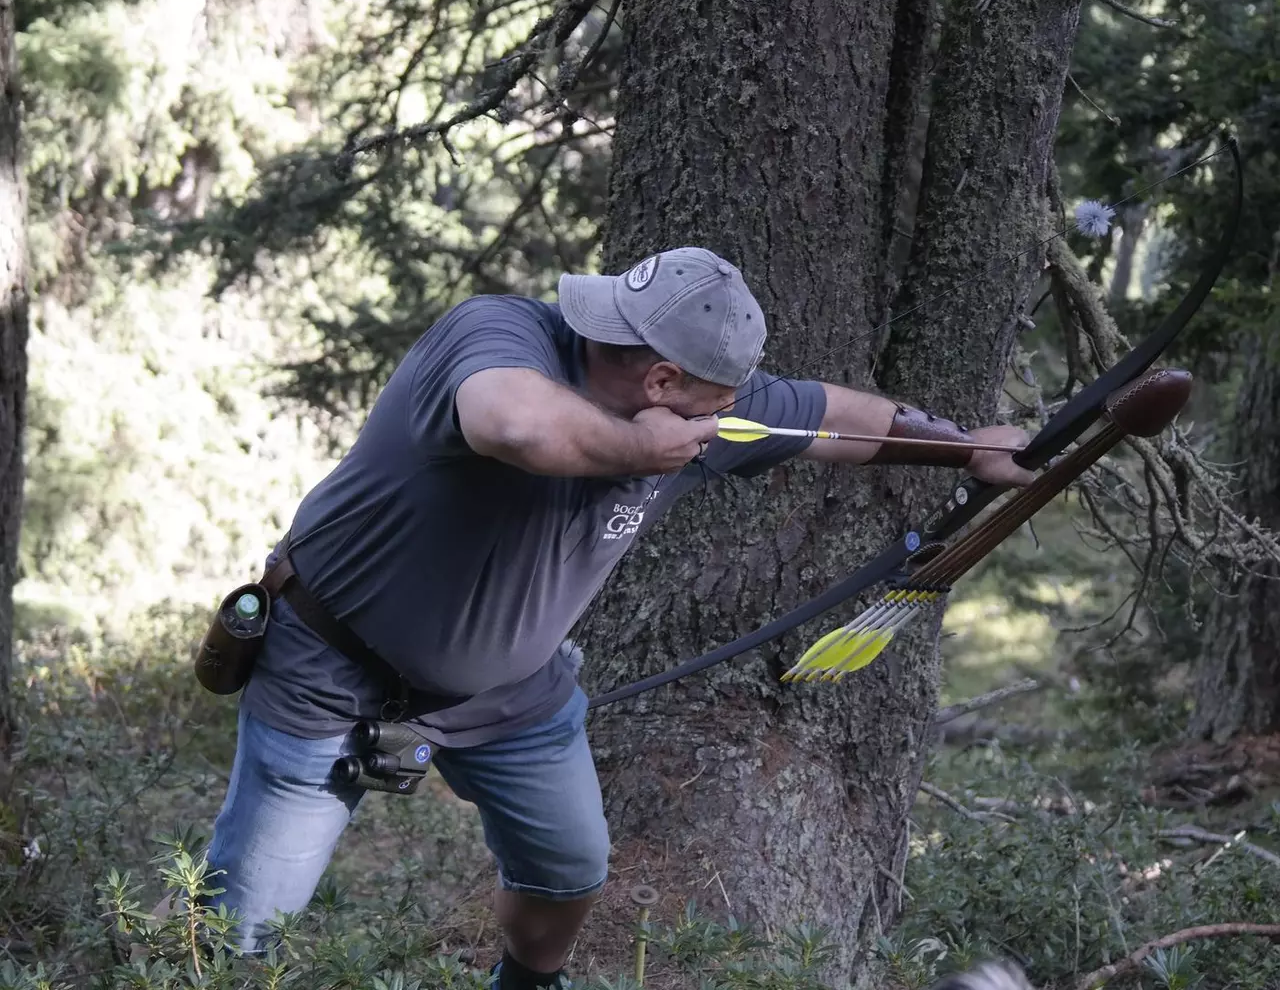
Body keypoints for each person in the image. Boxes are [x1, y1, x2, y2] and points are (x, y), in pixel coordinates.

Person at [202, 246, 1034, 989]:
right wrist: (642, 449)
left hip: (512, 697)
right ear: (662, 383)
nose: (732, 410)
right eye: (717, 398)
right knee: (242, 925)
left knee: (567, 870)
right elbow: (512, 423)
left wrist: (964, 448)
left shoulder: (707, 416)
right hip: (328, 670)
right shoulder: (498, 335)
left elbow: (827, 416)